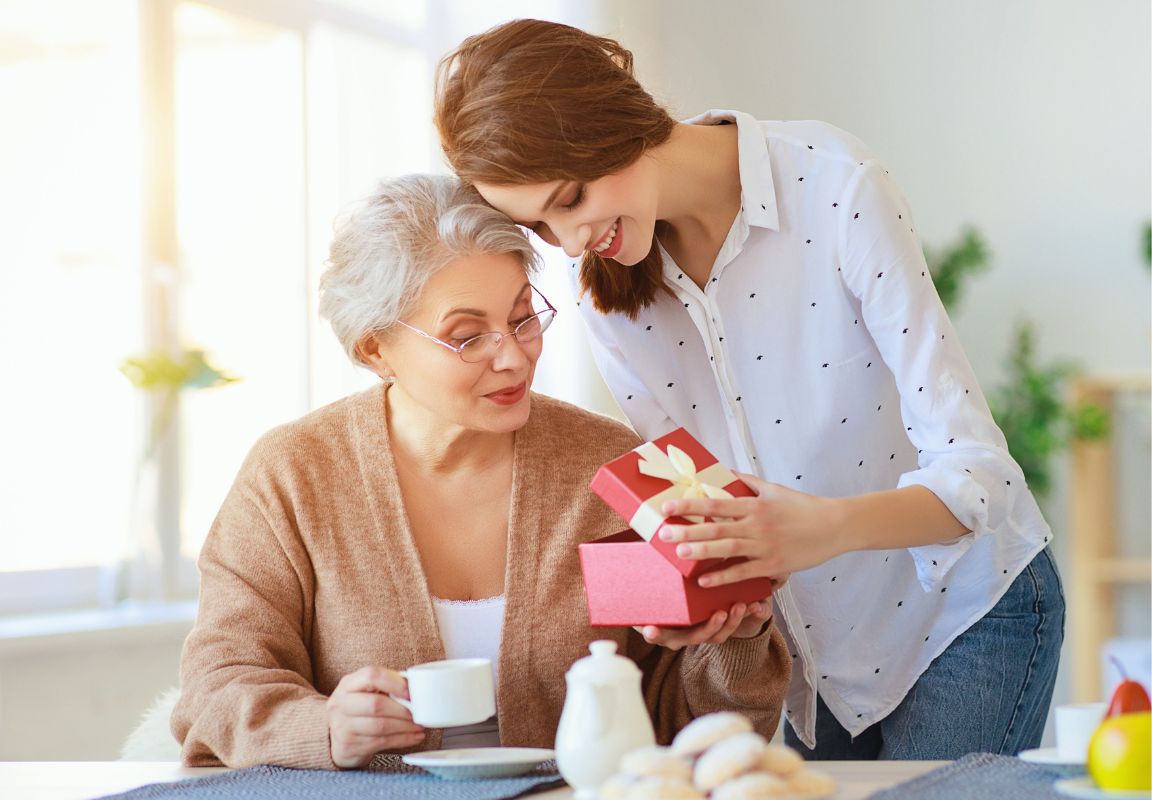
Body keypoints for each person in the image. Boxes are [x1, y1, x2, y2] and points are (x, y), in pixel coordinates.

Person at [433, 19, 1064, 760]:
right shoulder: (606, 294)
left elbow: (980, 473)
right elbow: (705, 502)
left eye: (569, 199)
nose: (570, 241)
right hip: (814, 662)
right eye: (540, 225)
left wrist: (819, 529)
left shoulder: (834, 186)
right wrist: (708, 593)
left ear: (614, 121)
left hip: (962, 615)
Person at [170, 174, 790, 769]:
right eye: (468, 337)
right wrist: (323, 726)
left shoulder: (611, 468)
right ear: (375, 348)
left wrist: (735, 635)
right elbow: (216, 687)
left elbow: (685, 730)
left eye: (523, 317)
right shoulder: (294, 475)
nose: (514, 356)